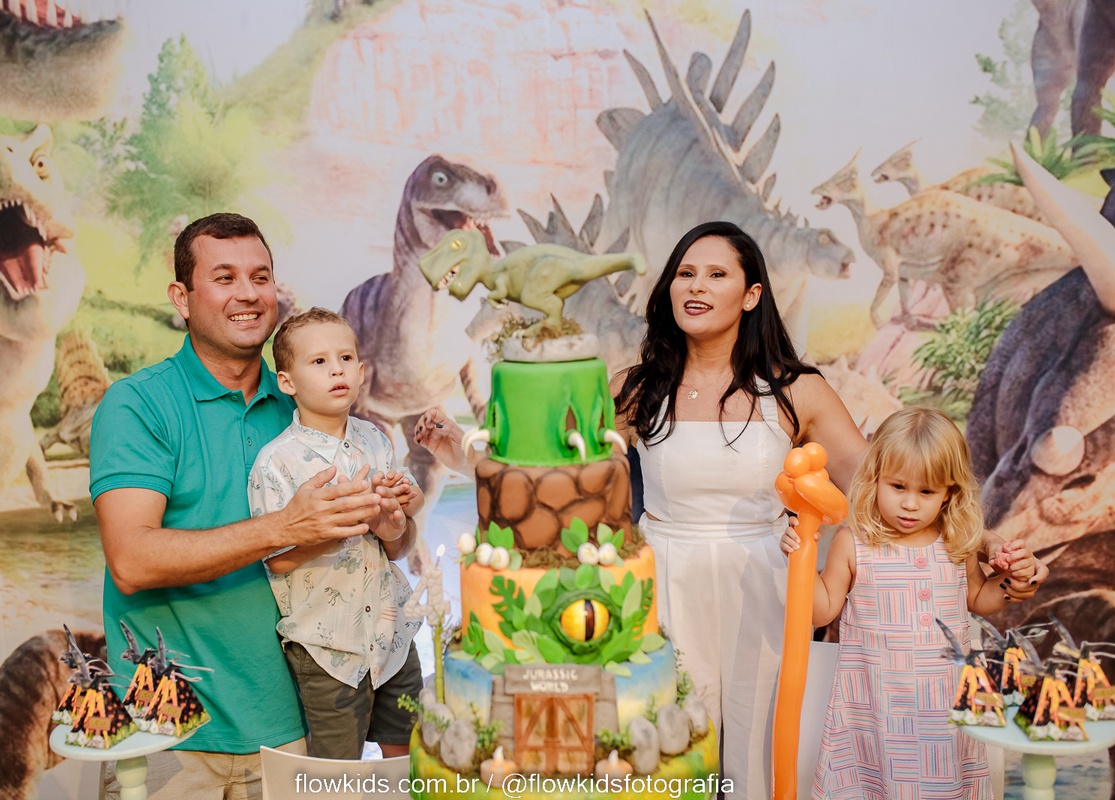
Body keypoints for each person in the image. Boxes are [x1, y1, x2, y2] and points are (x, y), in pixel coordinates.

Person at [412, 221, 1046, 797]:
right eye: (685, 273)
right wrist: (455, 447)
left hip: (765, 586)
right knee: (668, 757)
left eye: (717, 274)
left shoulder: (798, 390)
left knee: (757, 763)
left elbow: (876, 485)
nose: (696, 285)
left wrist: (988, 544)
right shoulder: (638, 387)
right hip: (662, 586)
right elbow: (548, 470)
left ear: (751, 295)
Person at [91, 214, 386, 799]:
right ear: (182, 297)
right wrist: (284, 526)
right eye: (224, 277)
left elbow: (375, 550)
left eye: (261, 277)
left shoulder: (311, 409)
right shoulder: (138, 404)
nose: (248, 294)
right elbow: (131, 559)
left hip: (294, 727)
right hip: (165, 730)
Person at [780, 407, 1041, 798]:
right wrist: (799, 563)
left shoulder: (955, 543)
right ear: (875, 478)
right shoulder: (853, 543)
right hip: (873, 711)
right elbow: (822, 611)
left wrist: (1010, 582)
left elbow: (977, 598)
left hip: (943, 712)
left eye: (926, 492)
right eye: (898, 487)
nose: (910, 504)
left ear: (949, 492)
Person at [248, 307, 423, 759]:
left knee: (410, 759)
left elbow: (404, 520)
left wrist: (394, 510)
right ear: (287, 382)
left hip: (392, 633)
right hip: (328, 649)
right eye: (319, 361)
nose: (336, 370)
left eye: (345, 358)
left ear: (361, 372)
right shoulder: (276, 461)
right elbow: (276, 560)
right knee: (335, 773)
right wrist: (337, 526)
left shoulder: (376, 440)